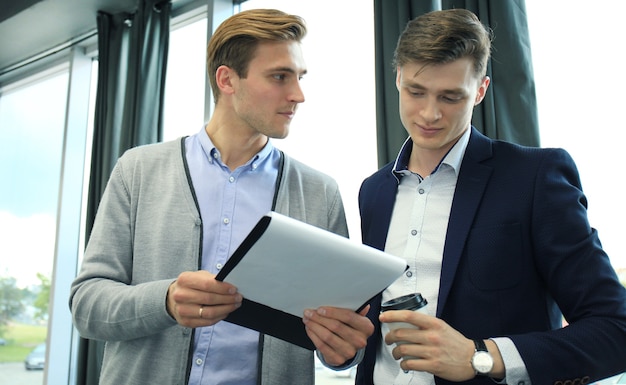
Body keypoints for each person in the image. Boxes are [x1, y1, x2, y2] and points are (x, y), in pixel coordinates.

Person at [69, 8, 373, 385]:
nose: (298, 95)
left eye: (299, 77)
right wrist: (164, 300)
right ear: (227, 80)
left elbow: (343, 337)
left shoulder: (319, 193)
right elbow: (86, 307)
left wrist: (343, 350)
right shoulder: (138, 170)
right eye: (280, 76)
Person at [356, 8, 626, 385]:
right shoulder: (374, 191)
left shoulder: (535, 178)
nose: (429, 113)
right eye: (416, 91)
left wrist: (481, 356)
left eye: (451, 97)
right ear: (398, 77)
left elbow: (616, 330)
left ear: (480, 90)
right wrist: (343, 351)